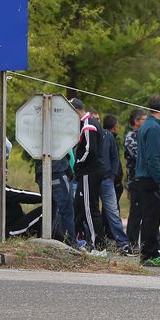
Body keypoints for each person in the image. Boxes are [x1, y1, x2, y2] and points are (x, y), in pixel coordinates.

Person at [132, 95, 160, 267]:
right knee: (151, 218)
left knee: (152, 218)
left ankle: (152, 251)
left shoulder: (151, 125)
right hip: (151, 180)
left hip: (149, 178)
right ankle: (149, 254)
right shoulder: (154, 128)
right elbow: (153, 158)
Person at [70, 98, 108, 256]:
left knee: (89, 208)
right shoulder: (86, 123)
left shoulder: (88, 125)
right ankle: (73, 239)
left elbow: (88, 150)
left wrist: (78, 165)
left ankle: (99, 247)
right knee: (79, 206)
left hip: (89, 171)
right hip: (89, 170)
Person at [0, 158, 42, 239]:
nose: (6, 170)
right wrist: (45, 198)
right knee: (47, 210)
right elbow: (20, 195)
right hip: (9, 233)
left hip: (9, 229)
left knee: (43, 212)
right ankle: (55, 238)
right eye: (2, 167)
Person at [99, 114, 132, 255]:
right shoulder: (92, 134)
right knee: (89, 211)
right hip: (93, 179)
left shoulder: (109, 137)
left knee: (112, 211)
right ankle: (95, 240)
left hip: (107, 179)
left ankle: (122, 242)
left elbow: (115, 158)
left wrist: (112, 176)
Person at [123, 109, 146, 254]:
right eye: (144, 119)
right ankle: (131, 243)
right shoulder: (131, 137)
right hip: (136, 180)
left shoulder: (145, 134)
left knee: (147, 213)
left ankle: (147, 243)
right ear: (136, 121)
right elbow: (139, 155)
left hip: (146, 180)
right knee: (136, 213)